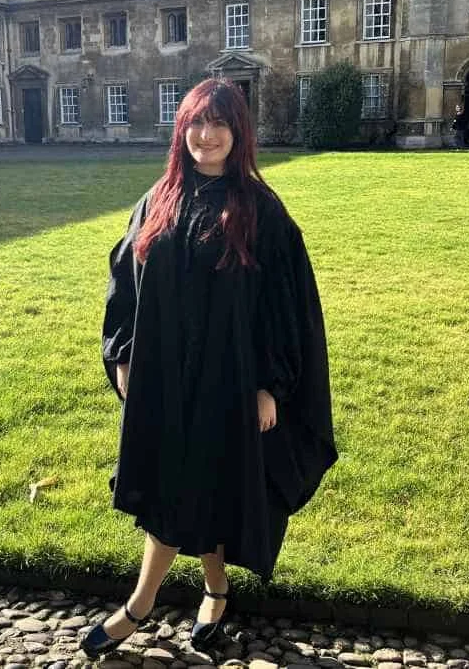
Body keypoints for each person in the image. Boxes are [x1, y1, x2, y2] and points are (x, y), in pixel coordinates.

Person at [83, 78, 338, 659]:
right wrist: (121, 351)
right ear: (183, 130)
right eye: (197, 122)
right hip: (166, 375)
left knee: (200, 484)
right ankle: (216, 592)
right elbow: (125, 279)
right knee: (187, 482)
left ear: (238, 132)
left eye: (219, 123)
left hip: (230, 376)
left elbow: (284, 304)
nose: (207, 135)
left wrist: (271, 385)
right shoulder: (159, 198)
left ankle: (140, 605)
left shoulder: (259, 209)